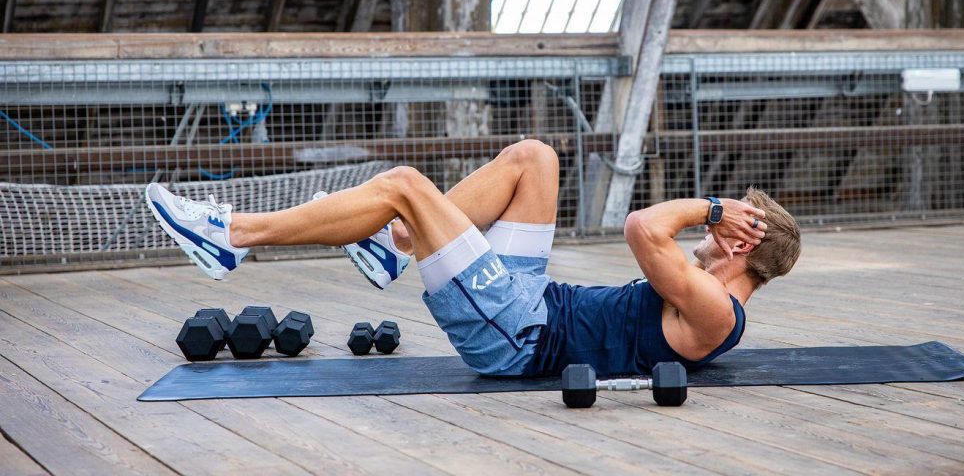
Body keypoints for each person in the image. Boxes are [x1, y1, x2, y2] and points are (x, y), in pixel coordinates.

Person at [145, 140, 801, 377]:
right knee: (535, 158)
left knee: (404, 185)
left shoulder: (716, 308)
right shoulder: (705, 289)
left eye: (737, 220)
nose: (723, 220)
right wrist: (718, 215)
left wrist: (713, 206)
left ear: (743, 243)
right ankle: (393, 245)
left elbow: (640, 226)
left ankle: (229, 236)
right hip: (532, 300)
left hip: (520, 338)